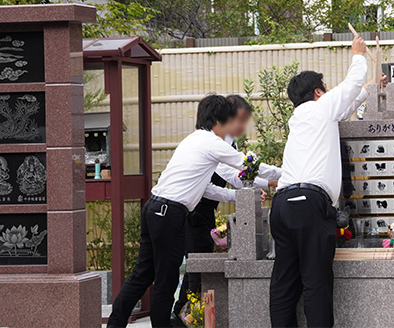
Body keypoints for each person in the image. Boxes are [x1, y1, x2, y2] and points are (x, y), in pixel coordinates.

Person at [107, 94, 281, 328]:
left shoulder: (193, 140)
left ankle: (115, 324)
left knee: (143, 274)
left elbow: (206, 189)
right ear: (219, 120)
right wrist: (284, 175)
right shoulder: (212, 143)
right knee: (166, 280)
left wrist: (235, 196)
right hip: (170, 213)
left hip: (155, 207)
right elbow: (247, 165)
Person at [269, 34, 385, 327]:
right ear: (319, 92)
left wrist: (370, 90)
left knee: (284, 283)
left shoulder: (301, 118)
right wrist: (358, 54)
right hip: (309, 206)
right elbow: (348, 88)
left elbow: (345, 104)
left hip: (282, 206)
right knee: (316, 283)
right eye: (327, 89)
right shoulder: (320, 109)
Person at [171, 95, 277, 325]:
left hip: (204, 209)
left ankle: (186, 314)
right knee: (196, 265)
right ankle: (183, 315)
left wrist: (248, 188)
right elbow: (234, 173)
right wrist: (270, 181)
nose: (241, 125)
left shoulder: (227, 140)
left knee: (199, 264)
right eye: (239, 119)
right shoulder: (214, 140)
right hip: (194, 208)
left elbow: (240, 178)